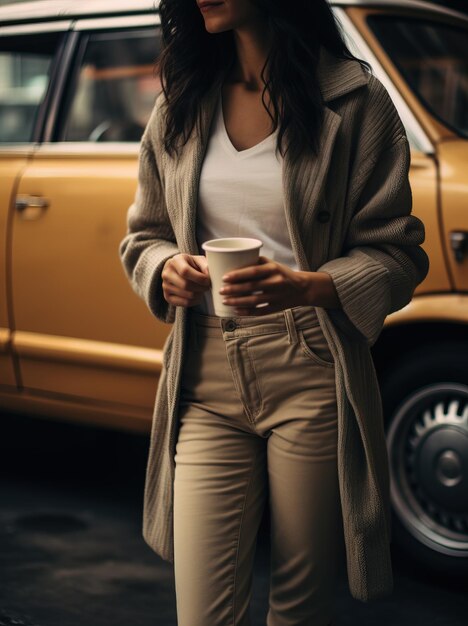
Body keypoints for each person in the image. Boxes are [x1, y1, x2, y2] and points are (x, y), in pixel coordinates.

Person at [119, 1, 430, 624]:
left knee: (299, 606)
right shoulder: (181, 101)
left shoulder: (355, 101)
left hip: (311, 367)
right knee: (202, 613)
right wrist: (163, 268)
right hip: (203, 373)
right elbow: (144, 235)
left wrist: (309, 287)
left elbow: (397, 253)